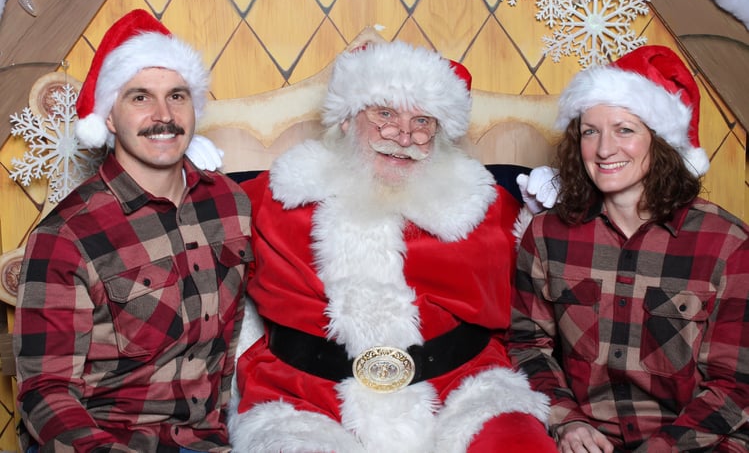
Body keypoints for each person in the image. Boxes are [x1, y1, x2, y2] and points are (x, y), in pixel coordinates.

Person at [227, 40, 556, 452]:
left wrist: (566, 211)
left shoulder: (485, 206)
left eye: (422, 120)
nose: (402, 135)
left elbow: (557, 284)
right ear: (347, 119)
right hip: (305, 397)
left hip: (462, 388)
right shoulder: (274, 196)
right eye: (384, 113)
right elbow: (195, 244)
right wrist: (189, 178)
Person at [13, 9, 252, 452]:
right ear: (108, 117)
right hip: (107, 441)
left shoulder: (229, 204)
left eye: (177, 96)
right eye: (140, 98)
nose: (164, 115)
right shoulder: (67, 236)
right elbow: (44, 392)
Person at [507, 45, 749, 452]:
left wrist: (665, 447)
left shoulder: (727, 243)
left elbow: (736, 384)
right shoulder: (548, 234)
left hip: (698, 439)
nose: (604, 150)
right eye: (590, 131)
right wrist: (568, 422)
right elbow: (528, 344)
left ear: (660, 141)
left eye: (624, 129)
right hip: (587, 439)